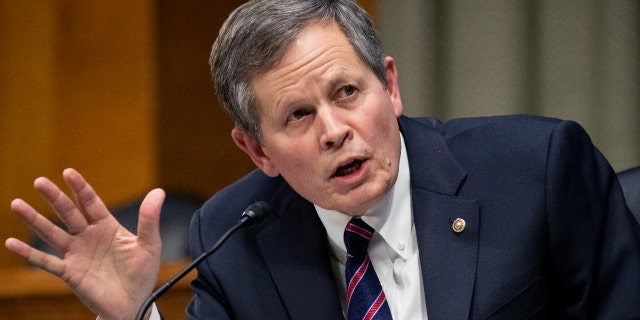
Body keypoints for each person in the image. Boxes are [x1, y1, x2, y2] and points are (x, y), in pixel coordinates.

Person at [5, 0, 640, 319]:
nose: (335, 131)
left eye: (347, 93)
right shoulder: (235, 238)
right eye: (297, 116)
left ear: (389, 87)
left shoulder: (537, 169)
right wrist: (137, 313)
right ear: (257, 150)